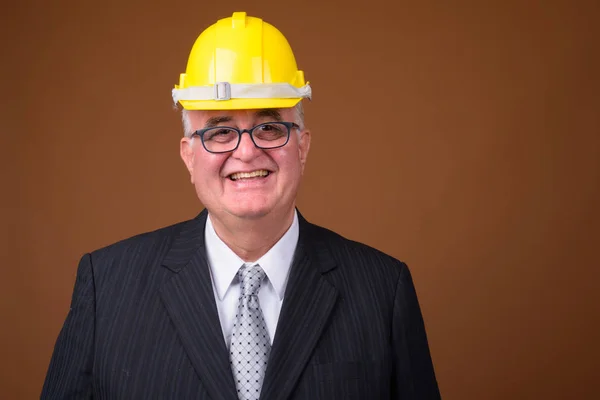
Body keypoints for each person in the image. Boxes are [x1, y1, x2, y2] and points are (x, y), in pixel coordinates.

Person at [42, 11, 441, 399]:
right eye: (219, 130)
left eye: (269, 127)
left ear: (302, 147)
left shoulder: (383, 291)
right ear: (188, 156)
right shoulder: (108, 288)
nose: (247, 152)